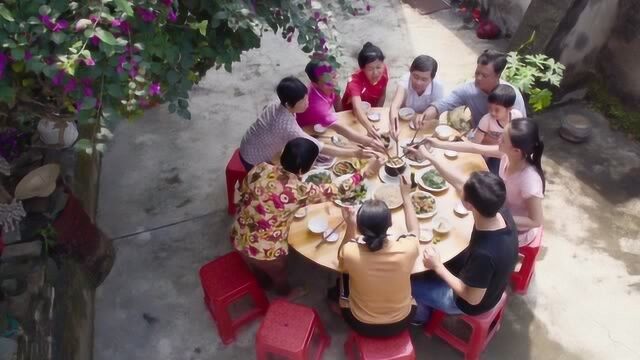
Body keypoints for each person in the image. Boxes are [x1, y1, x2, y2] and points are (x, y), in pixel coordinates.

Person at [232, 138, 383, 296]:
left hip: (239, 232)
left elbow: (242, 192)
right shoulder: (298, 191)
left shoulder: (261, 168)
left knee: (256, 266)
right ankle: (285, 293)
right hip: (264, 248)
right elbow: (336, 190)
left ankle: (261, 281)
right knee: (278, 273)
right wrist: (365, 172)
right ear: (302, 170)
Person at [409, 117, 544, 247]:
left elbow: (536, 221)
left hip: (512, 230)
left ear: (516, 151)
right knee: (465, 193)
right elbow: (474, 148)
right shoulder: (507, 154)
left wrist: (494, 216)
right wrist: (438, 144)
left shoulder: (530, 181)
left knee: (460, 227)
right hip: (494, 209)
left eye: (503, 139)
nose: (498, 139)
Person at [410, 171, 518, 324]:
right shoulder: (499, 210)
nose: (460, 188)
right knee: (444, 258)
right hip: (487, 280)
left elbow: (471, 298)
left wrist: (438, 266)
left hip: (467, 302)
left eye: (463, 190)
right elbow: (461, 184)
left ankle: (421, 316)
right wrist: (430, 156)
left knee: (408, 282)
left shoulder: (485, 254)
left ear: (469, 205)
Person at [335, 176, 420, 338]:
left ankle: (339, 303)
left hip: (361, 323)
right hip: (403, 321)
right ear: (390, 224)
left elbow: (341, 261)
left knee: (343, 276)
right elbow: (415, 231)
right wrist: (406, 196)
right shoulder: (407, 248)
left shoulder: (351, 252)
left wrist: (350, 225)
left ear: (360, 228)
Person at [239, 76, 375, 171]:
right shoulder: (286, 126)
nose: (307, 103)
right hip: (253, 156)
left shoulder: (277, 104)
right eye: (303, 101)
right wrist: (356, 153)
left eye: (306, 98)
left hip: (250, 140)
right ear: (288, 104)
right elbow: (319, 147)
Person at [413, 49, 527, 130]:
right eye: (477, 73)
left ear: (497, 76)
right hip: (477, 140)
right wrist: (427, 114)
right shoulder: (469, 89)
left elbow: (519, 133)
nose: (478, 78)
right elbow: (446, 103)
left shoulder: (512, 96)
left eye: (484, 75)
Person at [296, 60, 385, 151]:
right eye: (328, 83)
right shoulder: (317, 106)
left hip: (322, 122)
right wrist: (370, 142)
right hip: (307, 131)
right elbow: (340, 129)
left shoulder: (330, 83)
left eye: (334, 76)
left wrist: (344, 122)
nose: (334, 83)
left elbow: (338, 104)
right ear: (315, 84)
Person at [389, 55, 445, 141]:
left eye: (424, 79)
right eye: (415, 77)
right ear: (410, 72)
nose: (418, 82)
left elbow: (438, 110)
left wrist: (425, 116)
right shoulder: (405, 80)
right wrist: (394, 126)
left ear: (432, 79)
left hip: (426, 125)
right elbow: (395, 106)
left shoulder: (438, 86)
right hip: (404, 123)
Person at [471, 84, 523, 174]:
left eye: (497, 110)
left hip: (504, 151)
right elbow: (476, 143)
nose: (492, 112)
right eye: (490, 108)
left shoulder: (516, 117)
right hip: (486, 149)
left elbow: (519, 141)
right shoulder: (486, 120)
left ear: (509, 109)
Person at [341, 42, 389, 136]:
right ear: (362, 69)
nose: (376, 73)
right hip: (352, 115)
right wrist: (369, 127)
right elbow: (357, 107)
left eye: (378, 67)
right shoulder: (354, 81)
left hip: (370, 113)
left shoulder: (384, 71)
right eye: (370, 69)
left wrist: (376, 114)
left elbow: (383, 94)